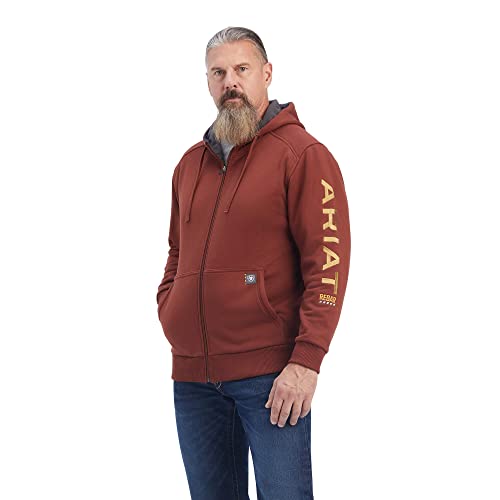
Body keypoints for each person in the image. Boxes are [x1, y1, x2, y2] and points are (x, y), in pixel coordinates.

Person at [156, 26, 351, 500]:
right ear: (208, 82)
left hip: (271, 377)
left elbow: (327, 262)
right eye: (218, 73)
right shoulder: (188, 165)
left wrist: (306, 361)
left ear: (266, 74)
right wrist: (171, 308)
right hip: (194, 379)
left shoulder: (302, 155)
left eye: (241, 69)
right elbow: (176, 252)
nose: (230, 82)